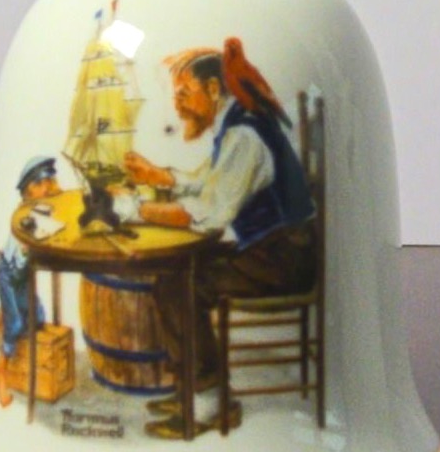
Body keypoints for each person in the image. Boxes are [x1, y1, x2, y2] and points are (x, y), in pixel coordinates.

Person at [118, 40, 319, 381]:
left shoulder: (243, 135)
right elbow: (210, 181)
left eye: (184, 94)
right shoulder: (239, 124)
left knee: (177, 285)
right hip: (275, 249)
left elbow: (210, 211)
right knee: (176, 269)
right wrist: (161, 176)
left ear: (213, 89)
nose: (177, 105)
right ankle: (189, 375)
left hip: (284, 260)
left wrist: (133, 209)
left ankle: (203, 386)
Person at [0, 158, 62, 405]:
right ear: (27, 190)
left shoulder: (42, 209)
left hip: (22, 278)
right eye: (39, 184)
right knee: (15, 325)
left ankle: (6, 309)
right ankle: (0, 372)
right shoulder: (26, 217)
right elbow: (21, 257)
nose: (46, 188)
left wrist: (54, 190)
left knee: (38, 319)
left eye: (48, 182)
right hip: (10, 275)